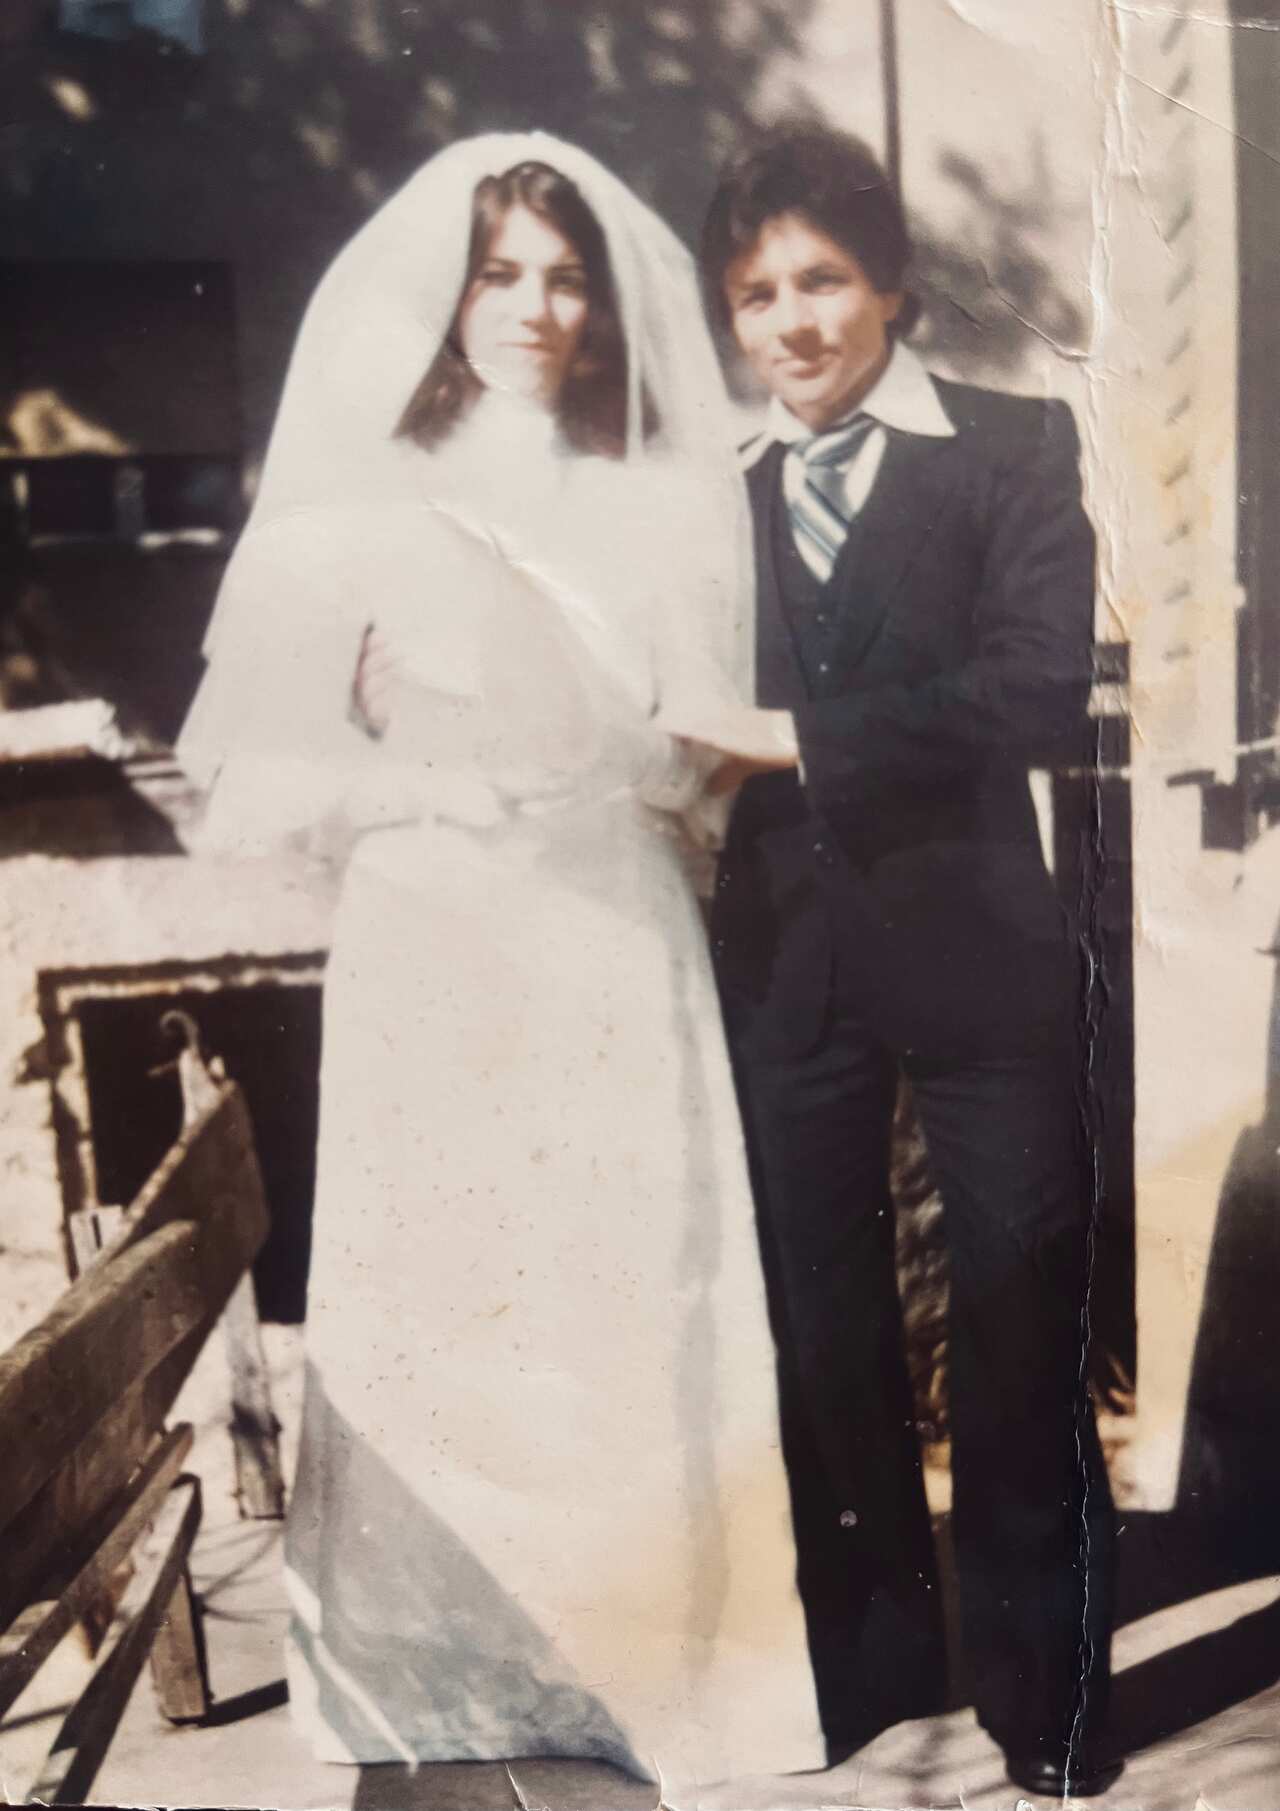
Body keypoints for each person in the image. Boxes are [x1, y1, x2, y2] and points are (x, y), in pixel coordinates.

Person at [177, 133, 824, 1800]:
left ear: (604, 302)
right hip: (436, 936)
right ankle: (447, 1660)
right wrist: (421, 774)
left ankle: (649, 1659)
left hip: (615, 930)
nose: (534, 308)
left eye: (563, 276)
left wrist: (633, 760)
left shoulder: (668, 496)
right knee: (457, 1292)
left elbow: (700, 753)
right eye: (500, 274)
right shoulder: (361, 504)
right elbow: (245, 785)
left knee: (627, 1286)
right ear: (446, 294)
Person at [661, 125, 1120, 1799]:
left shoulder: (1007, 447)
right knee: (818, 1330)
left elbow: (1031, 695)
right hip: (789, 966)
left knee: (1017, 1310)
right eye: (756, 295)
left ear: (891, 285)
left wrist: (788, 735)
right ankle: (863, 1695)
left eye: (822, 282)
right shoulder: (714, 501)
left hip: (984, 954)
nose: (790, 322)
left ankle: (1048, 1707)